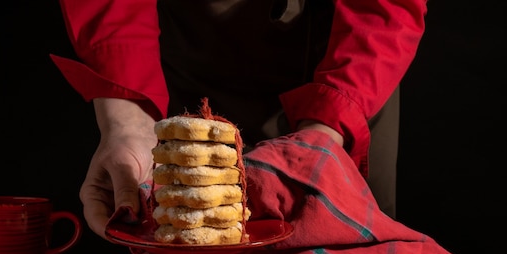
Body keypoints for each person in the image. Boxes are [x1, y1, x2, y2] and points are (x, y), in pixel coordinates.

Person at [51, 0, 428, 239]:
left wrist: (331, 124)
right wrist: (127, 121)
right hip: (185, 54)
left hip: (348, 60)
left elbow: (385, 8)